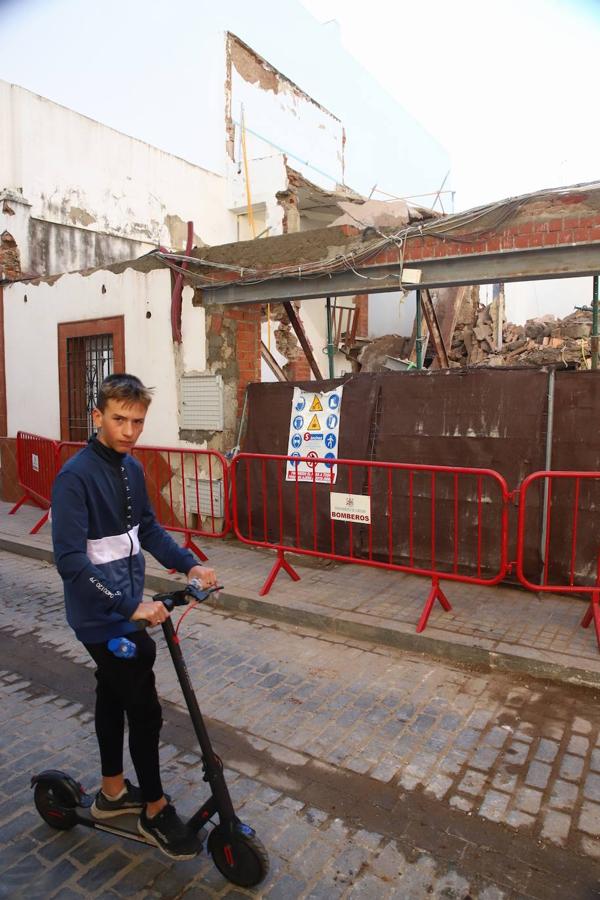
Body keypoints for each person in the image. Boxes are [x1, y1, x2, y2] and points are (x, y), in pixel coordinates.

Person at [51, 373, 217, 861]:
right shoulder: (74, 476)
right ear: (97, 417)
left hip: (129, 604)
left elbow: (147, 528)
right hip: (100, 614)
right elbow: (70, 562)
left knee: (114, 691)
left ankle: (112, 793)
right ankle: (153, 809)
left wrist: (190, 563)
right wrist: (128, 605)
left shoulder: (132, 469)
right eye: (119, 419)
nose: (128, 430)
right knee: (143, 708)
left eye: (137, 422)